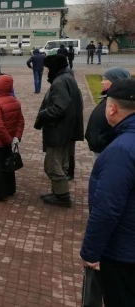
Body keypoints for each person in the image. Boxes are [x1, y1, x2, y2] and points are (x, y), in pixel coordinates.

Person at [80, 78, 135, 306]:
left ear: (112, 108)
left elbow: (107, 208)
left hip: (123, 253)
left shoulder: (121, 151)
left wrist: (90, 252)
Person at [34, 54, 84, 207]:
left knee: (52, 164)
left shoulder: (60, 82)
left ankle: (62, 196)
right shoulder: (67, 78)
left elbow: (60, 107)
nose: (46, 71)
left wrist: (43, 115)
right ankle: (57, 192)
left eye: (48, 68)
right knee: (57, 162)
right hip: (65, 129)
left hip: (59, 131)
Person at [85, 67, 131, 156]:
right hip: (100, 146)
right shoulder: (109, 96)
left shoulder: (121, 102)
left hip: (105, 148)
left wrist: (103, 140)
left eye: (105, 79)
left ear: (116, 81)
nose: (102, 82)